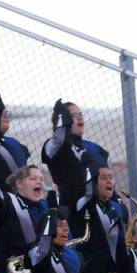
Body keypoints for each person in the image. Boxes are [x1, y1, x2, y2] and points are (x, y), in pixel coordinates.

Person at [41, 100, 108, 236]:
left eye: (81, 114)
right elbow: (58, 139)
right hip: (74, 209)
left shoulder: (92, 148)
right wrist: (61, 118)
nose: (80, 117)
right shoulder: (55, 146)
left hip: (101, 207)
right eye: (73, 115)